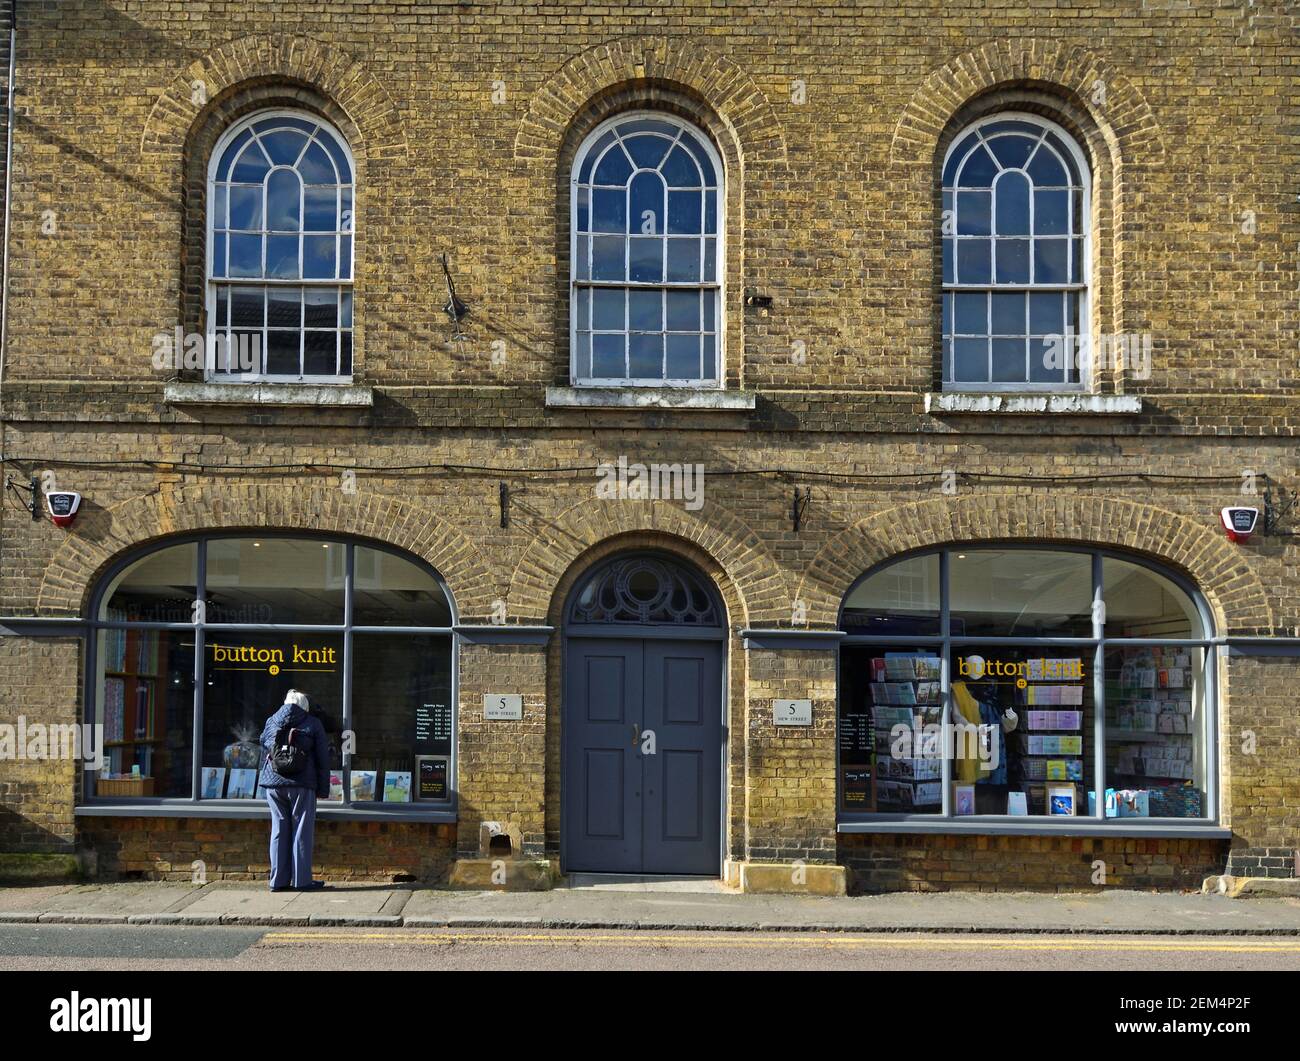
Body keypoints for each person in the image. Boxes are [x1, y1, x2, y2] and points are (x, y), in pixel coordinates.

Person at [259, 689, 331, 892]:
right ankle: (301, 881)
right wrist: (323, 790)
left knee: (278, 830)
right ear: (305, 705)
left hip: (274, 784)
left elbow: (264, 744)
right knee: (302, 831)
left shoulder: (271, 721)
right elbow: (323, 759)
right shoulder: (312, 722)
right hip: (302, 784)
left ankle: (277, 881)